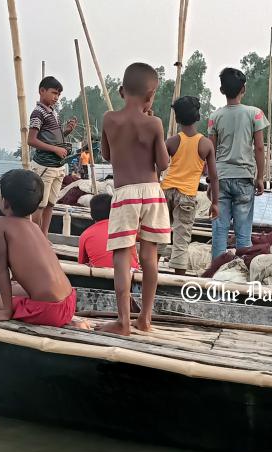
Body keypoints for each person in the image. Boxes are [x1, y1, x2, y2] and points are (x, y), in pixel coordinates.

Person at [97, 62, 171, 335]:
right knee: (149, 257)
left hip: (125, 193)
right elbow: (162, 163)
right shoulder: (154, 123)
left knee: (121, 255)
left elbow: (106, 154)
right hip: (152, 192)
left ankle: (123, 321)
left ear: (120, 91)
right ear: (151, 97)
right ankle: (146, 319)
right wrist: (154, 131)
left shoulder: (109, 119)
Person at [0, 169, 87, 329]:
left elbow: (1, 271)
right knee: (16, 288)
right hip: (69, 302)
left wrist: (6, 311)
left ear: (5, 202)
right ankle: (70, 320)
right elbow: (13, 231)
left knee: (1, 301)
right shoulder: (35, 228)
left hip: (48, 311)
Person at [207, 67, 269, 260]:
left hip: (221, 178)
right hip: (244, 178)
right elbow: (259, 148)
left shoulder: (214, 117)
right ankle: (242, 273)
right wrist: (260, 177)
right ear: (244, 89)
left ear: (221, 90)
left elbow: (211, 150)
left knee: (219, 230)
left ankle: (215, 274)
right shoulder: (255, 114)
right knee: (243, 232)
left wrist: (210, 181)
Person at [161, 96, 219, 275]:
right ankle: (178, 280)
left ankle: (151, 273)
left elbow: (158, 167)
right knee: (181, 238)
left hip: (166, 191)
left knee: (159, 234)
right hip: (187, 195)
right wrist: (215, 203)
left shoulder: (171, 142)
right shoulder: (206, 144)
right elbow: (214, 177)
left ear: (177, 119)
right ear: (198, 117)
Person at [27, 76, 78, 236]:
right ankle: (35, 238)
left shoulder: (53, 113)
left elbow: (50, 137)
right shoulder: (38, 113)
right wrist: (55, 150)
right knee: (40, 204)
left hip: (57, 167)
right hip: (44, 166)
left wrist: (66, 132)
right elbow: (32, 140)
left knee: (50, 204)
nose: (56, 97)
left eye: (58, 95)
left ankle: (44, 235)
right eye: (54, 93)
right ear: (42, 91)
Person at [78, 193, 140, 269]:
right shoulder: (126, 228)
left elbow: (81, 263)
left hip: (100, 276)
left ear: (91, 214)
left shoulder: (85, 234)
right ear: (115, 211)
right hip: (130, 275)